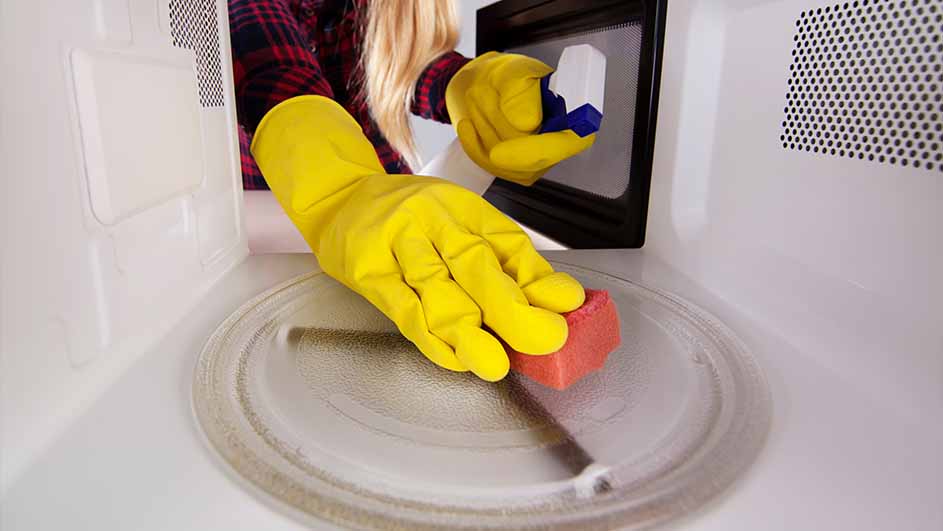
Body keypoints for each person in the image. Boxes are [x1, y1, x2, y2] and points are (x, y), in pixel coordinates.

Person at [230, 0, 595, 382]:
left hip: (395, 224)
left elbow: (411, 61)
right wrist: (341, 190)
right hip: (271, 236)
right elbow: (271, 66)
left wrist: (470, 84)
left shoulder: (370, 9)